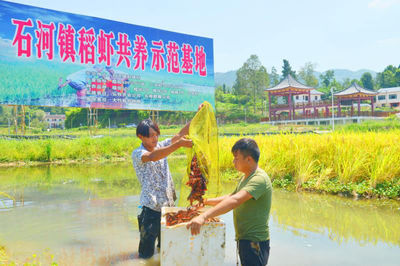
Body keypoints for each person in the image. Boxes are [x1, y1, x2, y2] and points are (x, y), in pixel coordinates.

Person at [186, 138, 272, 266]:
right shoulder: (246, 177)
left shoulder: (259, 179)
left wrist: (203, 216)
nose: (233, 162)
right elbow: (230, 197)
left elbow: (235, 201)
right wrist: (205, 202)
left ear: (248, 159)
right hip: (245, 239)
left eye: (236, 158)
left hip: (255, 242)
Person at [131, 114, 199, 259]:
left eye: (156, 135)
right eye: (151, 136)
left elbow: (180, 134)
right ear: (140, 137)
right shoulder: (138, 153)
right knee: (146, 254)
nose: (155, 139)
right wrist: (178, 144)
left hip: (168, 207)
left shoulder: (160, 146)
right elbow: (153, 156)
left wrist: (197, 116)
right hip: (151, 209)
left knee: (166, 248)